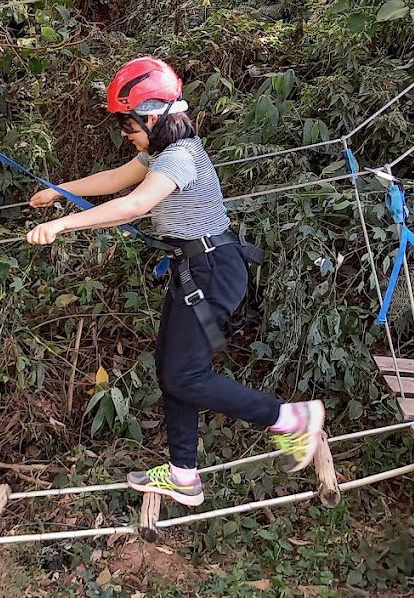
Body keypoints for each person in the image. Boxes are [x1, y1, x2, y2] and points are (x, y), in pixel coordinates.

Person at [24, 56, 324, 506]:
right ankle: (184, 473)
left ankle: (289, 418)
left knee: (185, 375)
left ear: (150, 117)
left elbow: (133, 206)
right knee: (172, 370)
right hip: (195, 269)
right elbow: (116, 179)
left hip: (213, 268)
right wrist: (61, 190)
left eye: (127, 128)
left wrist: (64, 226)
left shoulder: (181, 158)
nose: (125, 137)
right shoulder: (160, 153)